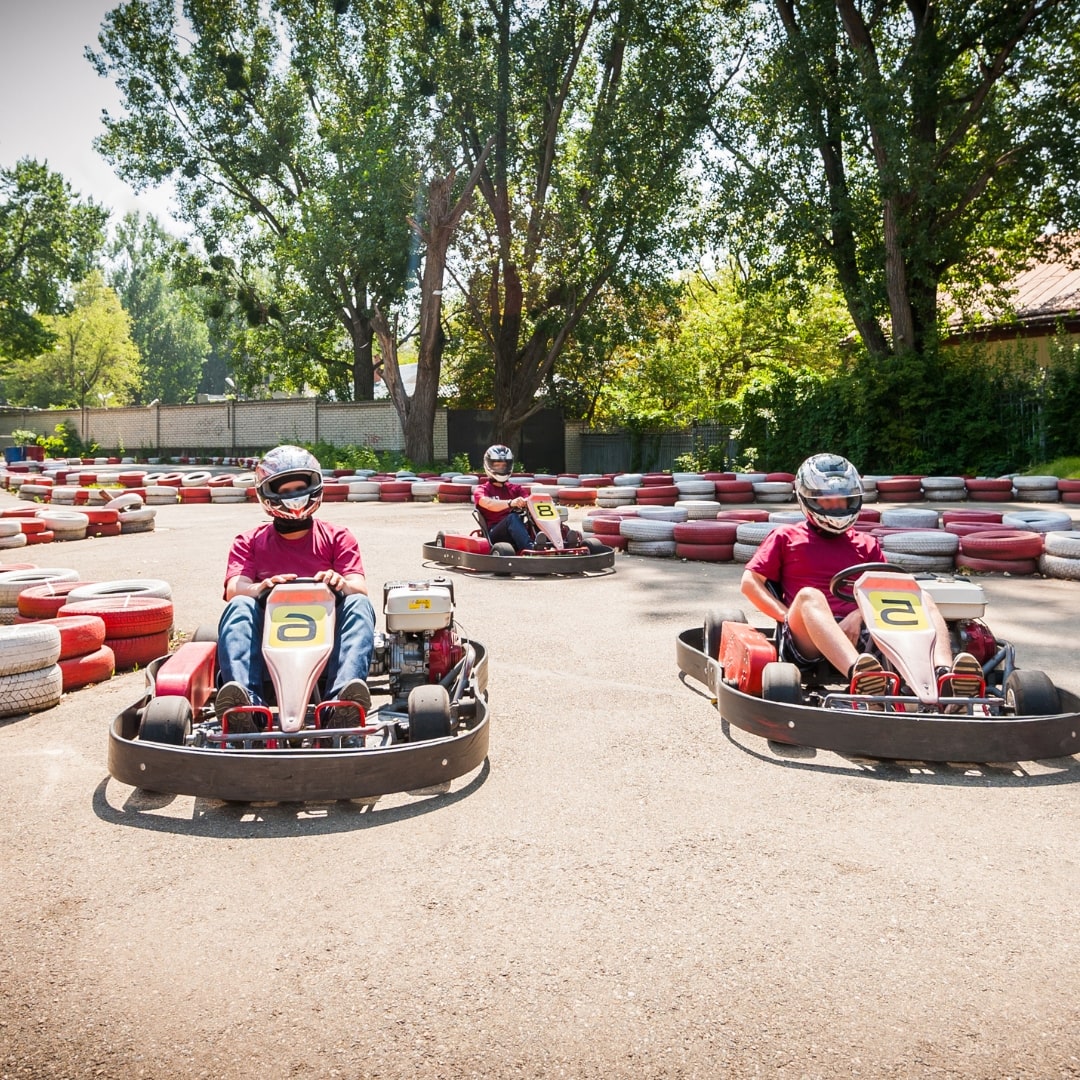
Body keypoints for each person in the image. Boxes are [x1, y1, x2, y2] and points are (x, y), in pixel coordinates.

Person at [740, 453, 982, 701]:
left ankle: (943, 675)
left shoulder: (866, 544)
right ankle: (862, 676)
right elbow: (750, 583)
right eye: (827, 501)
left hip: (865, 631)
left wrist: (857, 616)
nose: (837, 507)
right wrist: (787, 616)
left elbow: (889, 593)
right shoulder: (786, 537)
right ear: (808, 499)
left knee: (922, 597)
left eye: (842, 500)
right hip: (806, 638)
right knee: (809, 596)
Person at [215, 445, 376, 731]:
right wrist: (260, 588)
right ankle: (246, 708)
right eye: (284, 491)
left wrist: (340, 584)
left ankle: (341, 704)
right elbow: (233, 588)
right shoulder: (249, 541)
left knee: (359, 604)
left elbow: (359, 586)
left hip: (327, 649)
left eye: (298, 489)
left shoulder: (338, 536)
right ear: (268, 494)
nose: (293, 498)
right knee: (239, 605)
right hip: (269, 648)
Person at [473, 444, 536, 551]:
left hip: (517, 530)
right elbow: (488, 503)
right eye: (497, 465)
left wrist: (530, 502)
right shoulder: (482, 489)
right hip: (494, 534)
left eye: (504, 465)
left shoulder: (515, 489)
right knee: (512, 517)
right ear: (489, 466)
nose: (501, 468)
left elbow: (529, 500)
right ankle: (530, 549)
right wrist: (511, 503)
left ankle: (558, 542)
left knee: (535, 517)